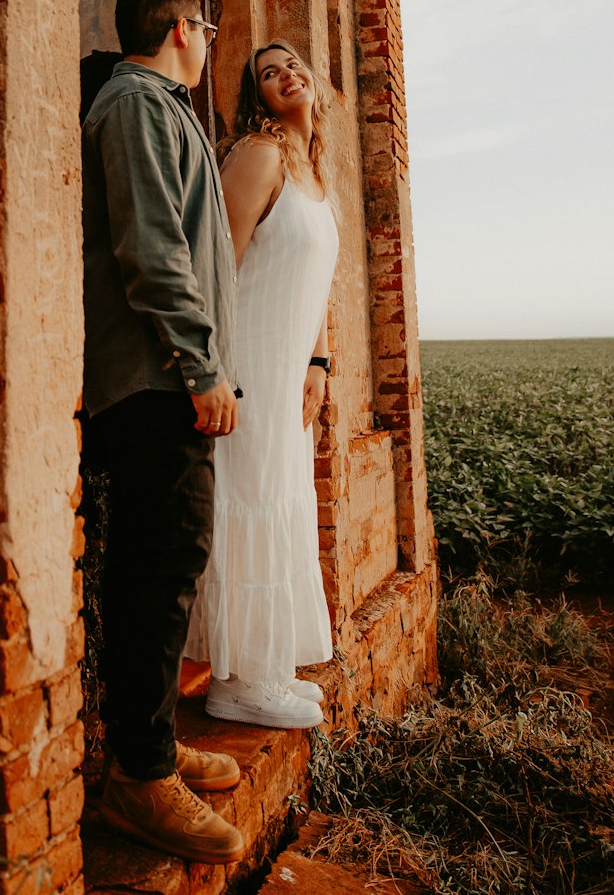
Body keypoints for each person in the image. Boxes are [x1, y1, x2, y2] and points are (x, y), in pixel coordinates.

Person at [82, 0, 245, 864]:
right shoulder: (138, 105)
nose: (212, 40)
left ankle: (143, 743)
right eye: (207, 26)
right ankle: (138, 780)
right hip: (157, 378)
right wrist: (201, 365)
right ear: (181, 27)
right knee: (160, 564)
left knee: (163, 563)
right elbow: (151, 252)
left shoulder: (154, 107)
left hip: (166, 375)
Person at [186, 41, 338, 730]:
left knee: (279, 498)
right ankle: (237, 681)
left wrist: (319, 361)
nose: (287, 74)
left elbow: (314, 283)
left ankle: (269, 666)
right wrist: (211, 368)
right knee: (249, 500)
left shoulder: (313, 173)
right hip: (246, 362)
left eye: (293, 63)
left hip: (287, 369)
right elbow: (219, 261)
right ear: (257, 95)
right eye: (268, 71)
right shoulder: (259, 154)